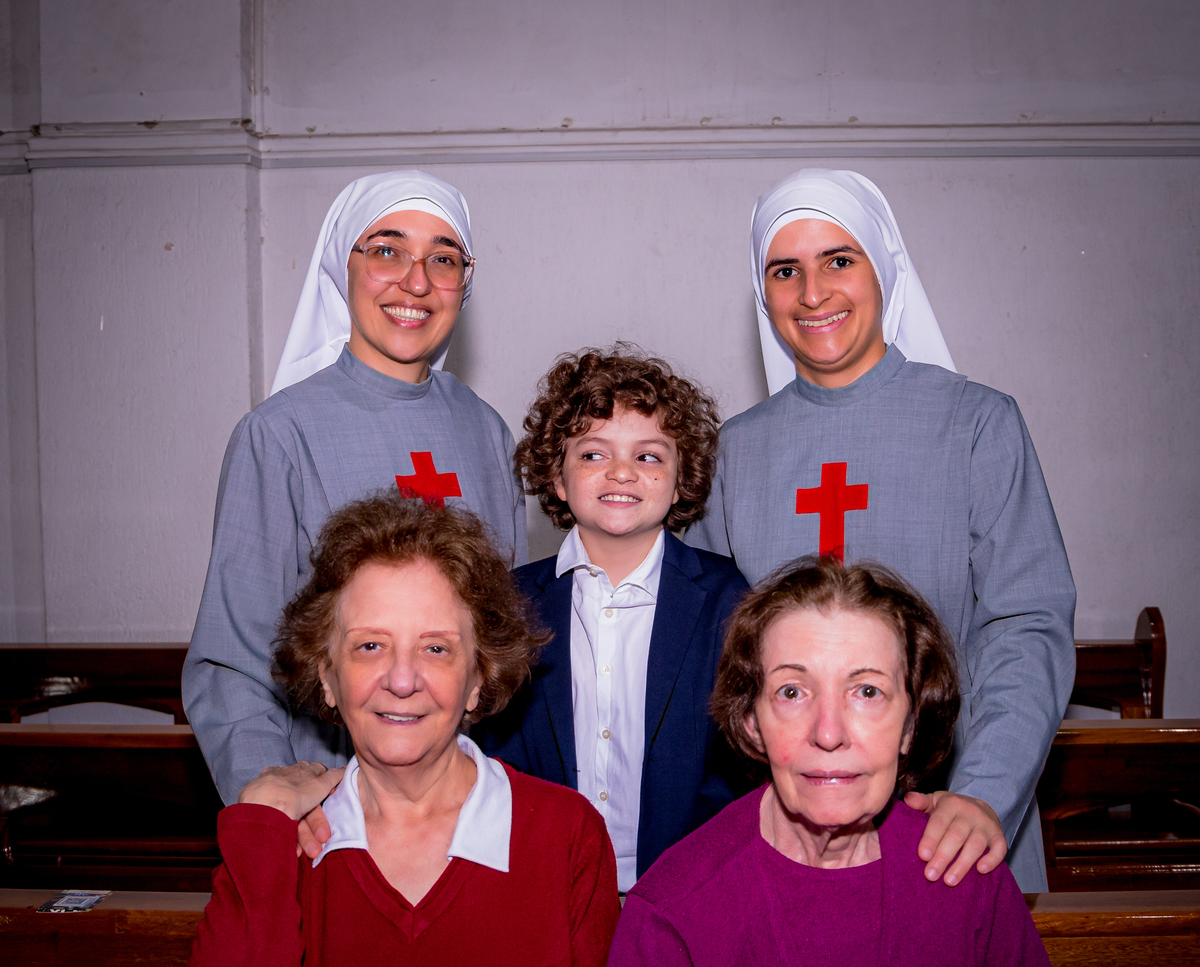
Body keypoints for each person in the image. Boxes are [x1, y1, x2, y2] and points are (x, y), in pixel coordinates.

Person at [597, 556, 1088, 967]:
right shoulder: (672, 915)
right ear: (750, 721)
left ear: (913, 724)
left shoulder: (965, 879)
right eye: (793, 693)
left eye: (867, 692)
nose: (829, 733)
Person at [183, 493, 617, 967]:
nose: (403, 679)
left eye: (437, 648)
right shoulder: (289, 840)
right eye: (369, 646)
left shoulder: (562, 835)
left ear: (480, 678)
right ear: (325, 675)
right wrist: (258, 817)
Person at [689, 168, 1076, 892]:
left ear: (884, 268)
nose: (813, 293)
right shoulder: (734, 451)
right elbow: (716, 652)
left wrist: (983, 795)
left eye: (839, 259)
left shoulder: (976, 424)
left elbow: (1026, 627)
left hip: (947, 819)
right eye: (784, 270)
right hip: (787, 828)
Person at [183, 170, 527, 804]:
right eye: (388, 250)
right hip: (331, 802)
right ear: (343, 266)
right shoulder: (278, 435)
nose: (416, 282)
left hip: (467, 800)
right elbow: (233, 663)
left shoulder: (487, 432)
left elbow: (499, 646)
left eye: (443, 259)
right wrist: (275, 801)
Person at [473, 346, 750, 890]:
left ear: (681, 481)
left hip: (687, 888)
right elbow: (491, 756)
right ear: (557, 478)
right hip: (542, 887)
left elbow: (741, 762)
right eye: (593, 455)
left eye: (648, 457)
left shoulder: (729, 598)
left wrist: (685, 881)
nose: (621, 471)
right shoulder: (507, 602)